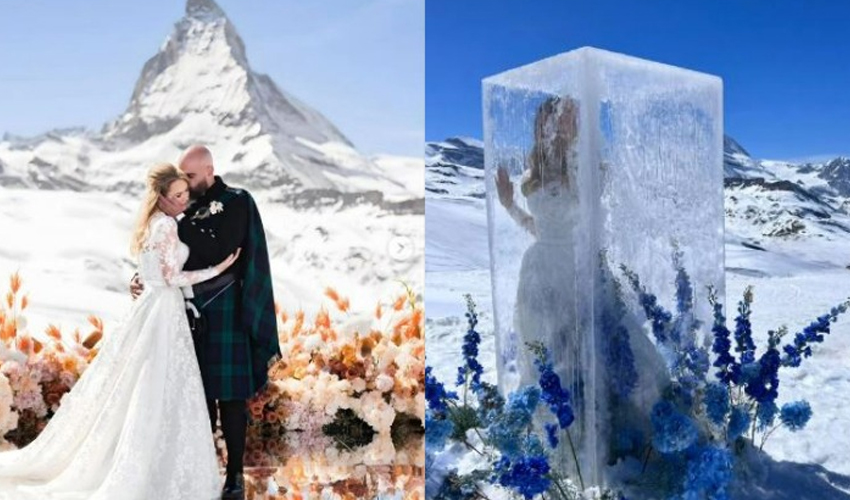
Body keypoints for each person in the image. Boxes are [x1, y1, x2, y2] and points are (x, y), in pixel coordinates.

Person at [0, 163, 240, 499]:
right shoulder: (167, 226)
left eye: (186, 193)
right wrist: (219, 268)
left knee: (143, 385)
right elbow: (171, 277)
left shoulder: (152, 223)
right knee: (159, 387)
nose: (185, 200)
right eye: (178, 195)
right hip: (164, 310)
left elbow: (151, 272)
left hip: (152, 308)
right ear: (162, 198)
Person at [131, 145, 281, 500]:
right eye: (181, 178)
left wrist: (179, 223)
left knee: (230, 398)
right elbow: (166, 255)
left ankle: (235, 477)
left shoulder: (237, 201)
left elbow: (219, 249)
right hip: (183, 313)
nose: (185, 182)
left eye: (191, 176)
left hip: (225, 308)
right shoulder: (182, 207)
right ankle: (201, 471)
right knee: (194, 397)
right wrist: (142, 277)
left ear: (210, 170)